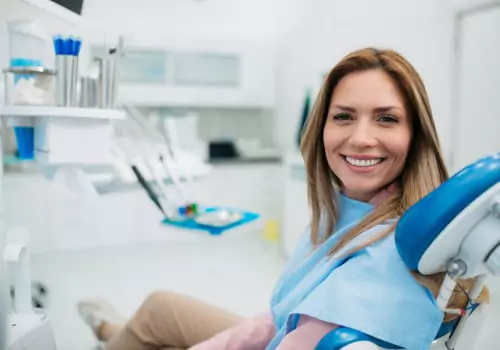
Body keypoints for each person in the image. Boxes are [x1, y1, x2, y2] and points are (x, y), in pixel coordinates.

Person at [77, 47, 488, 350]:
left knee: (155, 331)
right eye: (343, 115)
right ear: (321, 128)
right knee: (161, 308)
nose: (361, 138)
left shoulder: (385, 254)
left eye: (386, 118)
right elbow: (278, 320)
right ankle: (119, 333)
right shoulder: (352, 207)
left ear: (416, 136)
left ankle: (117, 335)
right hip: (279, 333)